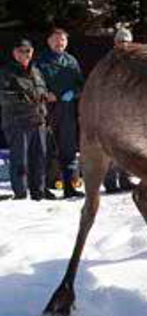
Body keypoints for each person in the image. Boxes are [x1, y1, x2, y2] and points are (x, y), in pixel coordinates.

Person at [0, 38, 57, 200]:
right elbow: (5, 96)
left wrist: (46, 96)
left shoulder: (36, 71)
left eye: (29, 51)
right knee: (20, 158)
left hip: (38, 121)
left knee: (39, 157)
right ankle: (21, 193)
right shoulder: (6, 72)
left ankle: (38, 190)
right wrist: (29, 101)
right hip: (18, 122)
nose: (26, 54)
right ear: (14, 53)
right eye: (22, 51)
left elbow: (42, 91)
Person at [36, 28, 85, 199]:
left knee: (68, 150)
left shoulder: (71, 61)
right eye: (56, 40)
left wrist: (73, 93)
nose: (60, 43)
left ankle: (69, 187)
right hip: (47, 110)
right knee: (45, 149)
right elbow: (35, 83)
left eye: (63, 40)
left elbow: (81, 85)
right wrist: (45, 93)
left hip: (67, 110)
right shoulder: (40, 61)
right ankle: (42, 188)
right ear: (49, 41)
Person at [102, 28, 137, 193]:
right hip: (111, 110)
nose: (124, 44)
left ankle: (125, 178)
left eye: (127, 41)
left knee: (128, 146)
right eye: (121, 41)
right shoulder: (108, 61)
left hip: (129, 110)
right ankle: (110, 182)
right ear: (115, 43)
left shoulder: (135, 60)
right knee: (112, 148)